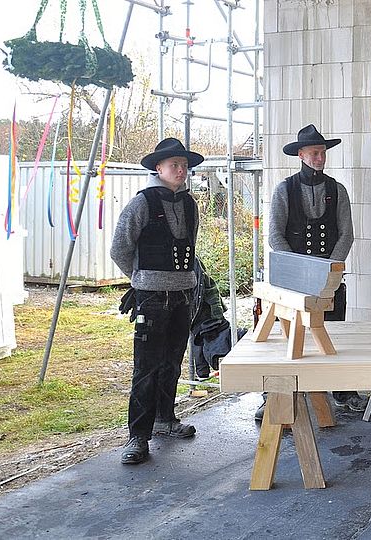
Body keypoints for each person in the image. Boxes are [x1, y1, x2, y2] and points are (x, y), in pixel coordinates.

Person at [256, 124, 364, 421]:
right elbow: (275, 234)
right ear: (301, 155)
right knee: (289, 340)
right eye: (314, 153)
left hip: (330, 277)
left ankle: (341, 392)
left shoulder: (337, 190)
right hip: (293, 281)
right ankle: (277, 395)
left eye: (322, 152)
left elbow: (346, 234)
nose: (319, 158)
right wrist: (298, 270)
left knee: (334, 336)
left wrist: (331, 269)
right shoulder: (284, 189)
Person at [111, 137, 204, 465]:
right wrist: (141, 280)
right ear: (158, 168)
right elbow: (120, 248)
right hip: (151, 297)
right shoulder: (141, 204)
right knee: (145, 368)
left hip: (183, 295)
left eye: (184, 165)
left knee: (172, 362)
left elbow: (190, 248)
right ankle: (138, 435)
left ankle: (166, 419)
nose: (181, 170)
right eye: (174, 165)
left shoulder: (190, 204)